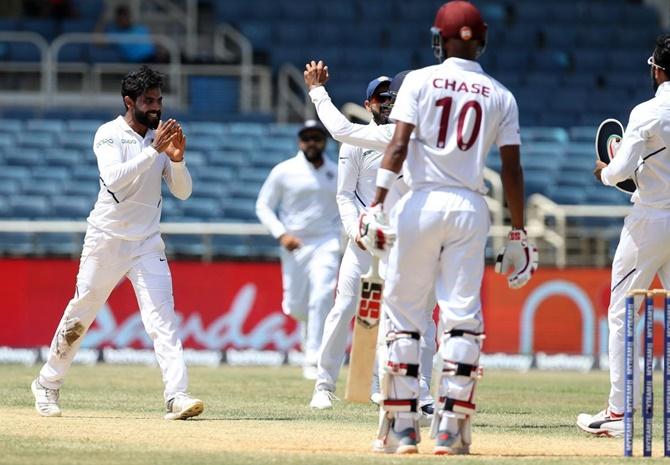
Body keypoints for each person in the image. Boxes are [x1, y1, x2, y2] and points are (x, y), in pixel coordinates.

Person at [358, 1, 537, 454]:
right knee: (461, 318)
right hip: (470, 207)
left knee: (404, 316)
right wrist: (519, 231)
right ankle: (450, 429)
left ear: (441, 39)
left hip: (419, 201)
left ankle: (401, 429)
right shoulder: (501, 94)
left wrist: (376, 202)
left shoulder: (418, 80)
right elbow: (512, 170)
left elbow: (397, 146)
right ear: (482, 39)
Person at [31, 65, 204, 421]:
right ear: (130, 101)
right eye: (148, 100)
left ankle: (177, 395)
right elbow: (115, 182)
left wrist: (178, 160)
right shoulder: (109, 134)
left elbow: (183, 193)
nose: (156, 107)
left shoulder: (160, 138)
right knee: (81, 314)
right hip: (106, 240)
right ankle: (47, 383)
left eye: (159, 99)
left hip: (147, 244)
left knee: (163, 321)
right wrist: (154, 152)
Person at [307, 73, 436, 421]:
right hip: (366, 239)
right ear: (369, 105)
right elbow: (345, 193)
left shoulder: (411, 134)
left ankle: (419, 391)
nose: (387, 104)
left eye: (391, 98)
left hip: (408, 242)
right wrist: (355, 229)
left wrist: (318, 91)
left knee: (418, 318)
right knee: (345, 306)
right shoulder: (363, 139)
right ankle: (323, 385)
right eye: (381, 99)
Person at [577, 34, 670, 438]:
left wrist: (604, 170)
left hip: (649, 220)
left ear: (656, 68)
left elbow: (618, 173)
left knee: (621, 312)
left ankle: (618, 413)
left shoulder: (648, 111)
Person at [256, 120, 341, 380]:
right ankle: (309, 343)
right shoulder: (284, 171)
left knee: (322, 295)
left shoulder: (337, 172)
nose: (312, 143)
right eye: (307, 138)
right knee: (296, 307)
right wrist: (282, 234)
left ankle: (313, 357)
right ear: (299, 142)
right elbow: (263, 206)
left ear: (324, 141)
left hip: (327, 241)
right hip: (295, 244)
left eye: (317, 138)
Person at [97, 5, 164, 63]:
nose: (125, 19)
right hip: (138, 61)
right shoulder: (114, 32)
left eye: (126, 15)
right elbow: (98, 42)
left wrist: (159, 50)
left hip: (153, 57)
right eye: (122, 16)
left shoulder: (140, 28)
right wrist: (102, 20)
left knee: (167, 56)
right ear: (117, 18)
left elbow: (155, 42)